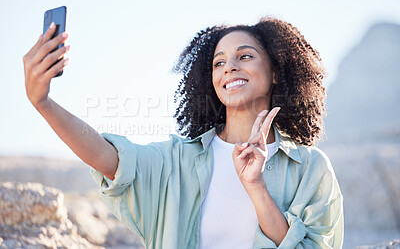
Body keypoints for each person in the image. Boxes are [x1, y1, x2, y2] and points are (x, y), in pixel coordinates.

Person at [23, 16, 343, 248]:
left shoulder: (311, 169)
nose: (229, 67)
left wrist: (256, 187)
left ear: (275, 72)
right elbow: (108, 158)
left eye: (244, 56)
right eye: (219, 63)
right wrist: (43, 102)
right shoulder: (176, 160)